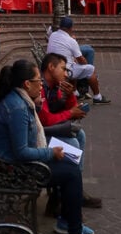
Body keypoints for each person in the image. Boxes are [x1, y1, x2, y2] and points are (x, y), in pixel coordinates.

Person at [0, 58, 101, 234]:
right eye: (38, 81)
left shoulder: (19, 99)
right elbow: (21, 152)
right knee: (72, 172)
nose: (41, 85)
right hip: (14, 169)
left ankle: (67, 220)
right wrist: (50, 152)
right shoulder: (18, 107)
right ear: (26, 84)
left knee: (71, 158)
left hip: (16, 159)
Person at [39, 53, 102, 209]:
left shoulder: (55, 86)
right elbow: (45, 119)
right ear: (51, 67)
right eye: (63, 69)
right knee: (72, 142)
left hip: (45, 130)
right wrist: (70, 113)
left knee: (80, 135)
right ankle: (69, 190)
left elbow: (67, 110)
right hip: (40, 136)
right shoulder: (39, 87)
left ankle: (72, 189)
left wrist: (69, 96)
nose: (66, 73)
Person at [46, 17, 111, 104]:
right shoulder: (71, 41)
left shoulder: (53, 35)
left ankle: (75, 92)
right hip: (65, 71)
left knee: (74, 63)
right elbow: (81, 60)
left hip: (51, 68)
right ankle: (97, 97)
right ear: (71, 28)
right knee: (90, 69)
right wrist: (85, 65)